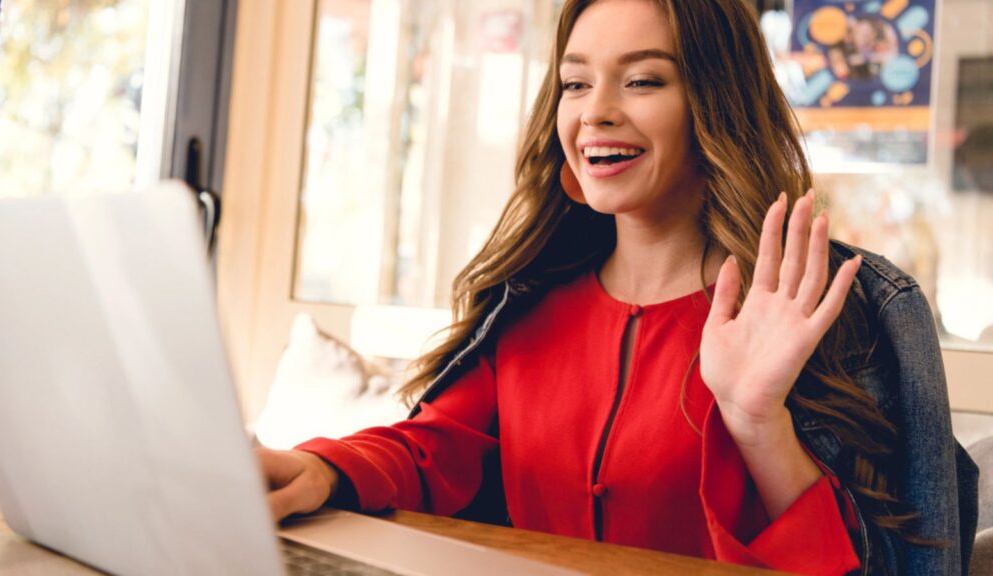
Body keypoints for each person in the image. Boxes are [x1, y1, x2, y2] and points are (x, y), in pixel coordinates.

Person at [258, 1, 977, 574]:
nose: (594, 111)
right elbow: (434, 446)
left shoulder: (841, 309)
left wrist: (758, 423)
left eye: (643, 79)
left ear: (714, 104)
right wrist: (320, 468)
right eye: (575, 82)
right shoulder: (528, 300)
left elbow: (887, 564)